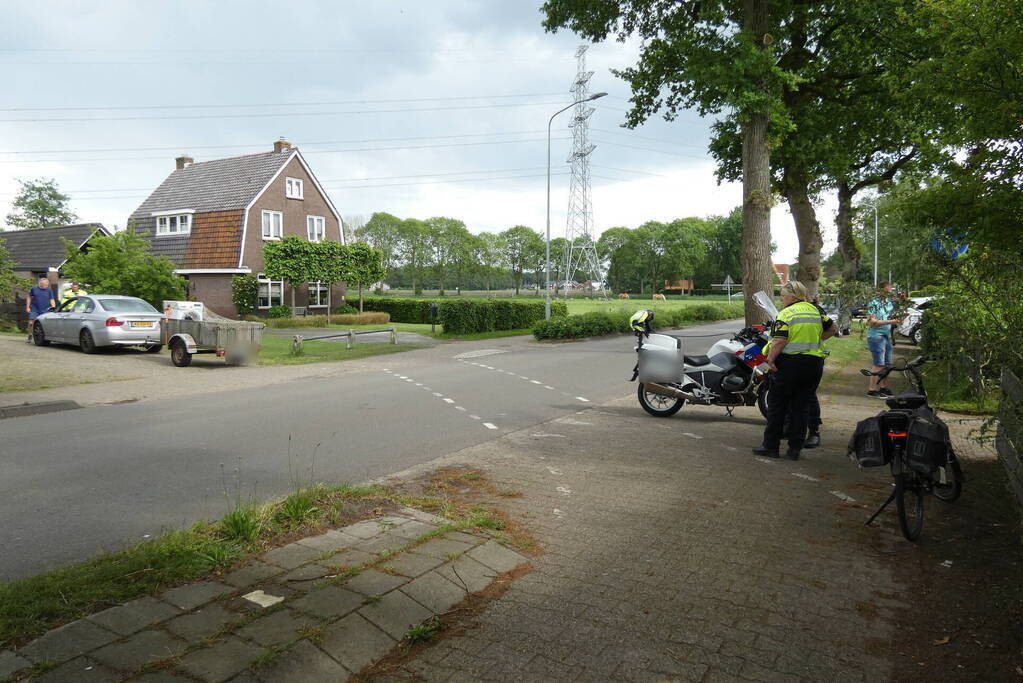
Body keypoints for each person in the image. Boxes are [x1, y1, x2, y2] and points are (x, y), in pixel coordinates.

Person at [753, 281, 836, 460]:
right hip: (813, 365)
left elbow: (779, 341)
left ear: (792, 296)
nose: (781, 299)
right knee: (801, 407)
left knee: (777, 406)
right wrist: (818, 339)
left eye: (782, 296)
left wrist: (770, 361)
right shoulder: (816, 310)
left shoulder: (786, 313)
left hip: (789, 365)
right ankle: (795, 449)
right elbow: (833, 328)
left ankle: (771, 447)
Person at [866, 282, 901, 398]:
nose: (890, 291)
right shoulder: (873, 303)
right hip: (876, 336)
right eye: (888, 290)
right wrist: (890, 322)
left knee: (887, 364)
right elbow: (872, 322)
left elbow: (892, 316)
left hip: (887, 336)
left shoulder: (888, 303)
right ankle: (872, 390)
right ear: (881, 291)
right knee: (879, 364)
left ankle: (884, 388)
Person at [25, 277, 59, 343]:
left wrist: (53, 307)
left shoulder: (49, 291)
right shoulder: (34, 289)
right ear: (40, 284)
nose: (46, 286)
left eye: (47, 284)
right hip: (34, 309)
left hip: (45, 310)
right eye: (45, 284)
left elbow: (52, 300)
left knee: (45, 324)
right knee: (31, 323)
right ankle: (30, 334)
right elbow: (29, 297)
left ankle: (48, 337)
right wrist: (27, 307)